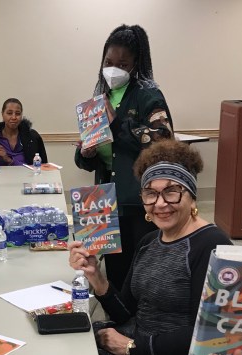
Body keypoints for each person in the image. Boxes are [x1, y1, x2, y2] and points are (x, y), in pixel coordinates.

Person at [69, 140, 230, 355]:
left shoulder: (210, 246)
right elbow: (128, 311)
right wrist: (97, 278)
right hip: (141, 353)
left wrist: (130, 347)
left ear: (191, 193)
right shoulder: (149, 241)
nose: (160, 203)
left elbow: (205, 335)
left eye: (172, 191)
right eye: (150, 193)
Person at [75, 24, 173, 290]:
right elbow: (90, 159)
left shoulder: (148, 95)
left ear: (135, 65)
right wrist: (87, 151)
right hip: (103, 201)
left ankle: (137, 326)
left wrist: (117, 124)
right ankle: (117, 322)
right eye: (108, 62)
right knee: (114, 269)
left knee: (140, 271)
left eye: (122, 63)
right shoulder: (100, 96)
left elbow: (163, 140)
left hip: (138, 202)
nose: (113, 69)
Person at [0, 98, 47, 167]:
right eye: (9, 113)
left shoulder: (32, 137)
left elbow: (41, 167)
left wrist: (9, 160)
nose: (14, 117)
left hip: (25, 180)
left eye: (17, 113)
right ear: (2, 114)